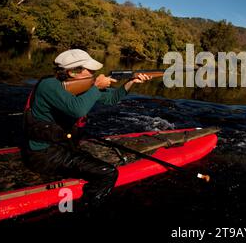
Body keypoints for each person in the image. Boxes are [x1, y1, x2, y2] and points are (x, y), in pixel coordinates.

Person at [22, 49, 151, 208]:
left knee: (91, 163)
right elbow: (78, 110)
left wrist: (131, 81)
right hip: (42, 155)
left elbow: (111, 99)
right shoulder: (49, 86)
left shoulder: (81, 86)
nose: (94, 74)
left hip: (61, 148)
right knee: (108, 173)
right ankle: (87, 207)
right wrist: (95, 87)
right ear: (72, 72)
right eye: (90, 71)